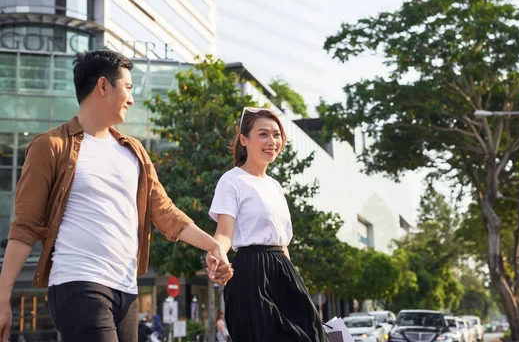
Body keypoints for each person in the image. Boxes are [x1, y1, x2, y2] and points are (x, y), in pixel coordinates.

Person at [0, 50, 231, 342]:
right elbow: (25, 226)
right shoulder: (51, 146)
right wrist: (3, 298)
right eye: (129, 88)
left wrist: (213, 246)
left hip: (126, 289)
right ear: (103, 86)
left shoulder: (133, 151)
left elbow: (165, 212)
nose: (132, 99)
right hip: (79, 282)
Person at [207, 107, 326, 341]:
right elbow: (224, 233)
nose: (272, 141)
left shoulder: (275, 186)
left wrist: (295, 281)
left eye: (276, 134)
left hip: (284, 270)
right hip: (250, 273)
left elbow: (282, 242)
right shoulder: (231, 181)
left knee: (311, 333)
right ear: (244, 139)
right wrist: (217, 253)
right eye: (263, 134)